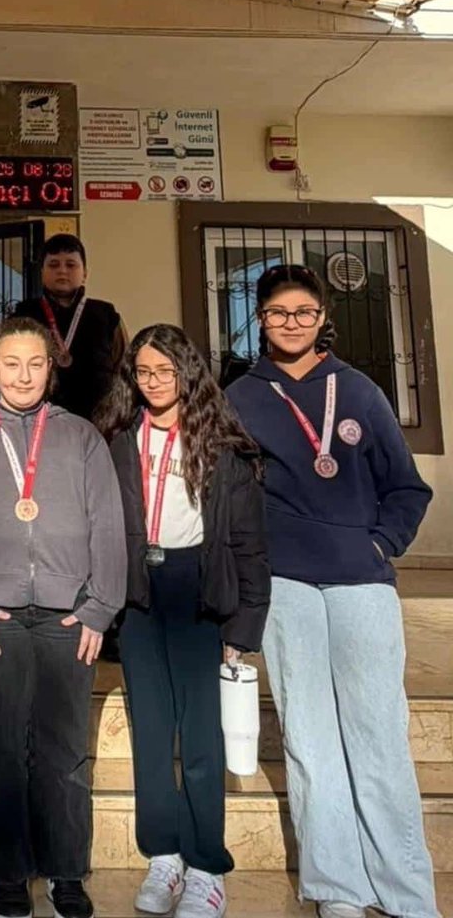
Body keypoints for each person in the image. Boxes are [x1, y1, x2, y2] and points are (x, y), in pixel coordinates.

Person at [226, 266, 438, 918]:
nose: (291, 323)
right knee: (310, 738)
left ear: (323, 318)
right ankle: (337, 887)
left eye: (303, 311)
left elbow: (407, 487)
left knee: (379, 734)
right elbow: (226, 495)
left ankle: (407, 890)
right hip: (285, 583)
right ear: (260, 319)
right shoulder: (241, 397)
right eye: (278, 312)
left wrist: (378, 544)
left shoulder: (361, 390)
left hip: (361, 581)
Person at [0, 315, 125, 918]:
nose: (22, 376)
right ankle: (7, 872)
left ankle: (66, 870)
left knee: (63, 747)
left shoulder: (81, 437)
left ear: (51, 368)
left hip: (70, 617)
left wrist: (100, 607)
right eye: (11, 364)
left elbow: (108, 523)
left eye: (34, 364)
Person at [96, 324, 270, 918]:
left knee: (200, 738)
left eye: (164, 371)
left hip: (199, 592)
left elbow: (249, 544)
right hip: (140, 594)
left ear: (188, 372)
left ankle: (205, 866)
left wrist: (242, 629)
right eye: (142, 372)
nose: (153, 383)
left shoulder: (222, 445)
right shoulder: (118, 439)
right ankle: (164, 855)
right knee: (150, 732)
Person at [14, 233, 126, 423]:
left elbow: (123, 367)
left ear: (85, 274)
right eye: (53, 265)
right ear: (41, 272)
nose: (62, 271)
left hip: (99, 422)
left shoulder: (106, 315)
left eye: (71, 265)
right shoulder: (24, 315)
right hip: (38, 421)